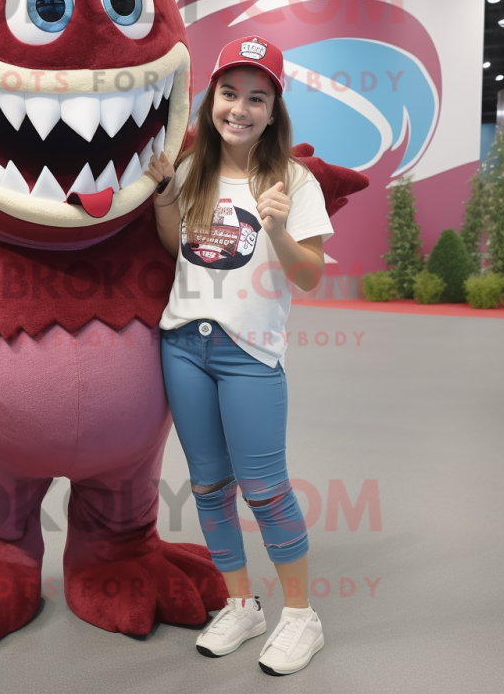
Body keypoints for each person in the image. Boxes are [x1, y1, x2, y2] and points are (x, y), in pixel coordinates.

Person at [144, 35, 333, 676]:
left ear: (274, 109)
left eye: (257, 98)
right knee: (209, 486)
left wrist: (277, 227)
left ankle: (301, 618)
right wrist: (167, 193)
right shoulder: (196, 168)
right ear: (212, 99)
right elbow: (179, 248)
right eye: (230, 94)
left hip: (248, 354)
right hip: (183, 345)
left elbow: (309, 277)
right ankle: (242, 604)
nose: (241, 109)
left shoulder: (294, 181)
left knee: (266, 490)